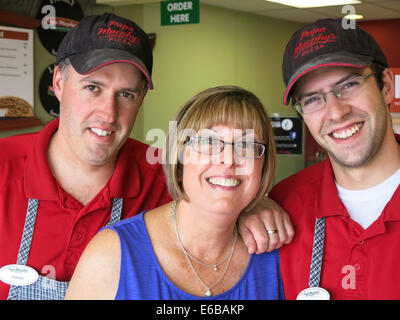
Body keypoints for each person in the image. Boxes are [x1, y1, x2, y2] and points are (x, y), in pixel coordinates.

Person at [0, 13, 292, 300]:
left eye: (126, 94)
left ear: (141, 99)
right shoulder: (4, 169)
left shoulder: (164, 171)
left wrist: (253, 204)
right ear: (59, 84)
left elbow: (218, 187)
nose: (108, 113)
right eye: (93, 88)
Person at [65, 85, 284, 300]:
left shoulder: (278, 256)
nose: (228, 159)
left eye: (246, 145)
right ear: (179, 163)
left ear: (263, 168)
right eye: (208, 141)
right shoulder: (111, 255)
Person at [242, 18, 400, 300]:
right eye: (312, 99)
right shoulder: (284, 208)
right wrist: (241, 212)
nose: (336, 113)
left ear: (386, 86)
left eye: (349, 84)